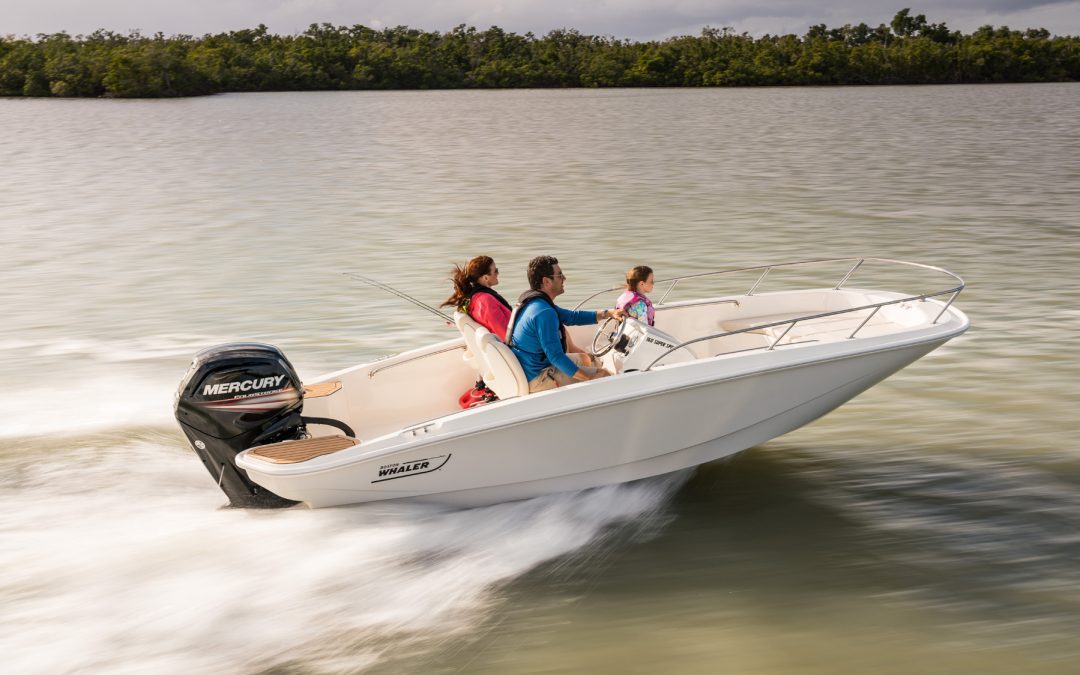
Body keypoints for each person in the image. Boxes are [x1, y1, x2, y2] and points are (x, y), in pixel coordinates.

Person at [508, 255, 626, 393]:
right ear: (546, 281)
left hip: (534, 366)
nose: (564, 278)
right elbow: (556, 357)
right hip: (538, 377)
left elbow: (571, 317)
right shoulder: (544, 312)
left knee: (585, 358)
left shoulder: (536, 303)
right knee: (604, 376)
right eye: (559, 275)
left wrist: (608, 313)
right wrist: (588, 378)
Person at [442, 255, 512, 340]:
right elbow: (505, 336)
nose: (498, 273)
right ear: (486, 278)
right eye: (495, 271)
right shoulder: (486, 301)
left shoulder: (473, 298)